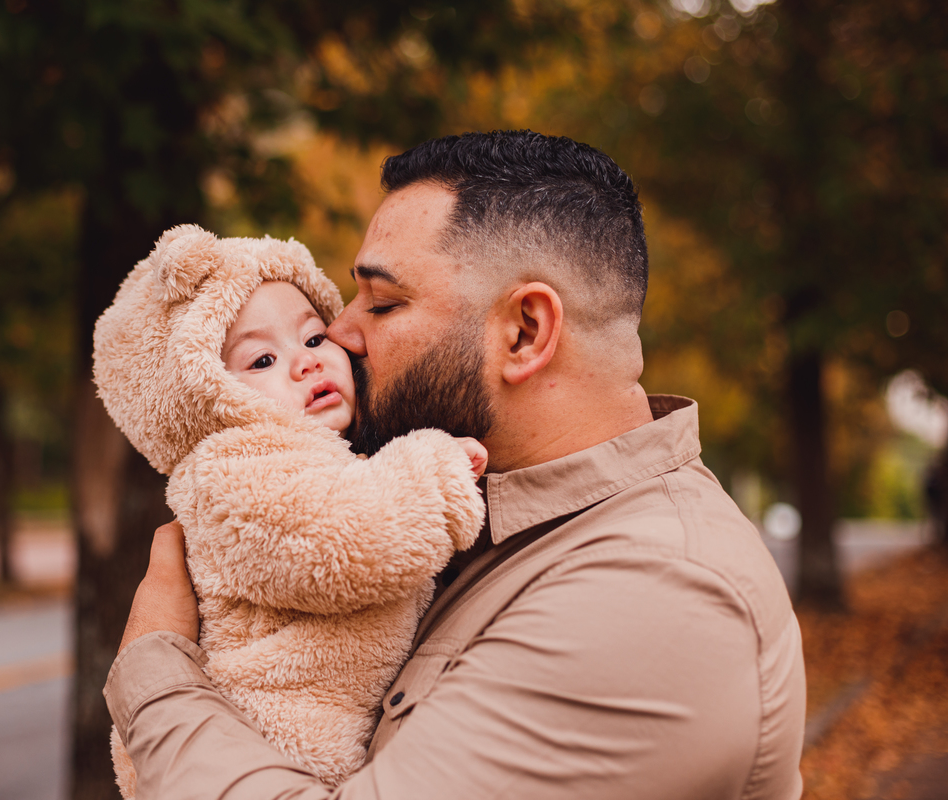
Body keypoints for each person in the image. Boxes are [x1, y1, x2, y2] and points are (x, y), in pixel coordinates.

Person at [104, 131, 807, 799]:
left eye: (383, 301)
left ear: (525, 333)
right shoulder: (505, 523)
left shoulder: (655, 592)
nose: (341, 334)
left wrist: (153, 669)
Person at [91, 225, 487, 793]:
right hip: (265, 736)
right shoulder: (232, 468)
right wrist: (435, 471)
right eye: (262, 360)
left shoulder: (333, 457)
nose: (305, 364)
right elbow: (340, 543)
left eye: (314, 337)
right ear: (205, 400)